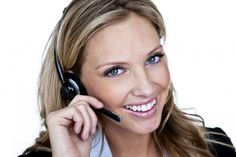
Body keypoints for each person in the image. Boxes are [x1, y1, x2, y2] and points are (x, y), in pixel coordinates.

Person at [19, 0, 236, 157]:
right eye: (115, 71)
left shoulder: (214, 148)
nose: (146, 87)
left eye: (153, 58)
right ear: (74, 85)